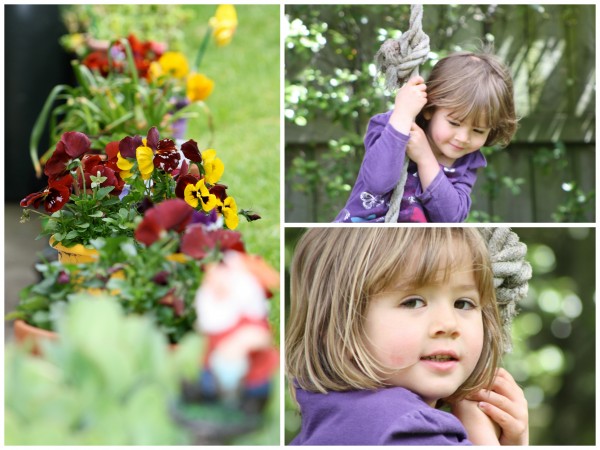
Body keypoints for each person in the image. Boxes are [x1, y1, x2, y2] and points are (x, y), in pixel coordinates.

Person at [286, 228, 529, 445]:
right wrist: (484, 440)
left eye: (463, 303)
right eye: (413, 302)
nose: (448, 324)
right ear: (337, 329)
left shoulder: (333, 420)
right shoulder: (412, 432)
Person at [334, 51, 517, 223]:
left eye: (478, 131)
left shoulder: (466, 162)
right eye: (454, 123)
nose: (463, 138)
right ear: (430, 109)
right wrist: (403, 116)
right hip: (359, 240)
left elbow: (451, 218)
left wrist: (425, 158)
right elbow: (377, 183)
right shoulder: (394, 124)